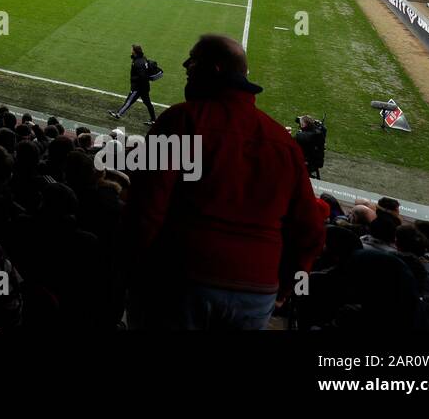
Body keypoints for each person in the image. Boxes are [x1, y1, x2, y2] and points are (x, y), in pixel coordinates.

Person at [124, 34, 325, 330]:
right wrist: (287, 287)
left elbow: (145, 209)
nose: (185, 65)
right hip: (257, 293)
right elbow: (310, 230)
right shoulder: (284, 143)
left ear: (214, 70)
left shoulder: (179, 120)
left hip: (181, 278)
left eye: (192, 59)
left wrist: (128, 268)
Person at [110, 44, 158, 124]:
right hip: (145, 86)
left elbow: (142, 76)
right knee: (147, 103)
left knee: (129, 101)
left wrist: (133, 79)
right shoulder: (143, 59)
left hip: (138, 87)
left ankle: (118, 114)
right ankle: (153, 119)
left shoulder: (138, 62)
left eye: (132, 49)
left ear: (135, 51)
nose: (131, 51)